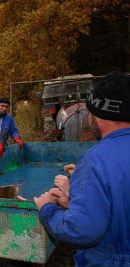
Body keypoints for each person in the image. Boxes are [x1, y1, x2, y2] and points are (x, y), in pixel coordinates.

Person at [34, 71, 130, 267]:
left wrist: (48, 209)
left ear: (98, 114)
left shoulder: (95, 161)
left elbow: (81, 230)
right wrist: (77, 202)